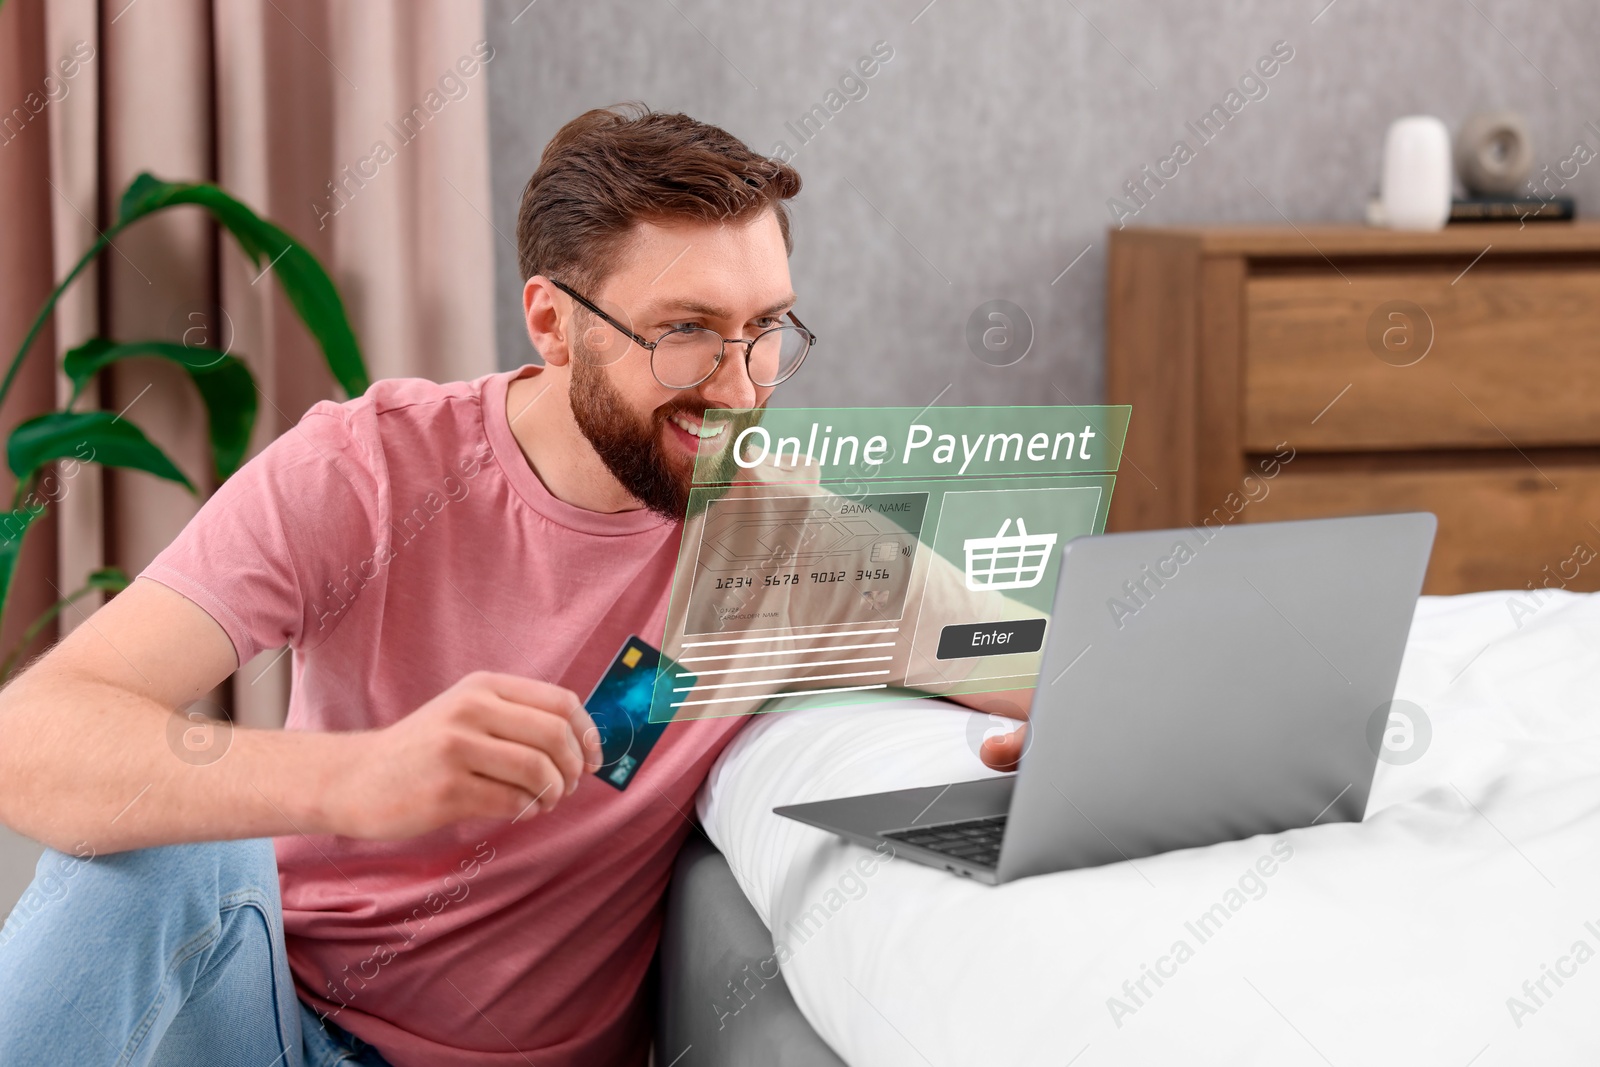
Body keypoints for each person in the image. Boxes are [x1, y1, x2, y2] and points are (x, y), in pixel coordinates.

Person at [0, 104, 1027, 1067]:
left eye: (766, 328)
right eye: (687, 332)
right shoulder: (364, 471)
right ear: (553, 322)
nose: (741, 385)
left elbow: (1040, 658)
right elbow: (30, 736)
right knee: (155, 851)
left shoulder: (786, 542)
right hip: (271, 1018)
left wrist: (1068, 733)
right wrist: (360, 777)